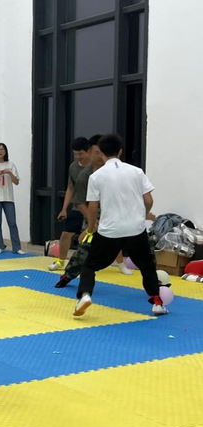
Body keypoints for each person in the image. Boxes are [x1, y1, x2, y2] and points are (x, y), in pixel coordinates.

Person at [73, 134, 166, 317]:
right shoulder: (136, 171)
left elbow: (92, 207)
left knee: (89, 265)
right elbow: (148, 200)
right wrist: (142, 215)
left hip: (110, 231)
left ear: (101, 153)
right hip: (135, 229)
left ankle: (85, 295)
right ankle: (157, 302)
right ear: (120, 151)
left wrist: (90, 229)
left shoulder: (96, 176)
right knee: (147, 266)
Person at [54, 134, 132, 288]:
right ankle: (68, 275)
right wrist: (92, 222)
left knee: (125, 242)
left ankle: (125, 266)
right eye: (96, 152)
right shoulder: (85, 175)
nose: (100, 155)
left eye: (101, 152)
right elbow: (80, 201)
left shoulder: (119, 171)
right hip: (93, 217)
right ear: (91, 152)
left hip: (115, 216)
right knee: (84, 248)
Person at [49, 137, 91, 271]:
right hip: (78, 206)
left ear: (88, 151)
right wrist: (64, 209)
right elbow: (70, 188)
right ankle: (61, 261)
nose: (78, 157)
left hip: (94, 207)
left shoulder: (96, 167)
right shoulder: (73, 167)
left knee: (101, 237)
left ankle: (120, 264)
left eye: (80, 154)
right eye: (75, 154)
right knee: (66, 235)